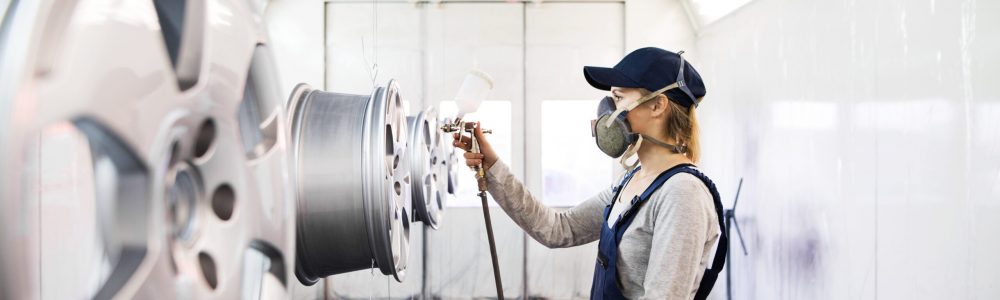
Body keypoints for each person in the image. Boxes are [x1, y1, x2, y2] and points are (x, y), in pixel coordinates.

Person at [453, 47, 727, 300]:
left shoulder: (681, 193)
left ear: (658, 105)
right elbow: (558, 229)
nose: (607, 111)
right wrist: (492, 167)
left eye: (618, 98)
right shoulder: (632, 181)